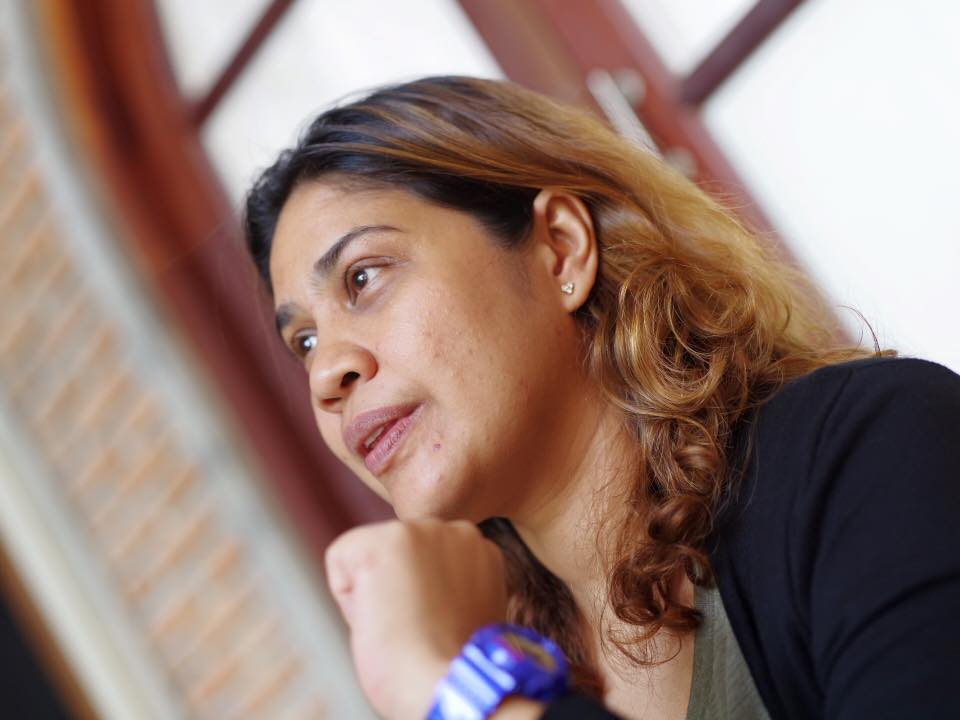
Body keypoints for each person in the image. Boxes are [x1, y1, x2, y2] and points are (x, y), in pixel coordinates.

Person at [243, 76, 960, 719]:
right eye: (303, 341)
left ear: (561, 248)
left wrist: (458, 690)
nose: (325, 373)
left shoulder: (877, 445)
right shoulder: (506, 663)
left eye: (364, 277)